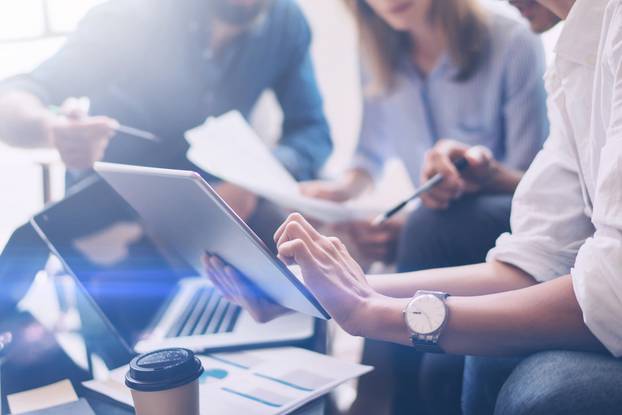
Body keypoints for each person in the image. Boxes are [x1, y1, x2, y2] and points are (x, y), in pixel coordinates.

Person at [204, 0, 622, 414]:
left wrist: (380, 314)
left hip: (506, 230)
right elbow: (536, 261)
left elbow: (607, 287)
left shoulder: (534, 38)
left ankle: (380, 398)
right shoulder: (576, 53)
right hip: (517, 232)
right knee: (478, 347)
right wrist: (316, 293)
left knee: (541, 390)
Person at [0, 0, 332, 245]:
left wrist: (253, 183)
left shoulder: (288, 22)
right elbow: (16, 95)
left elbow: (312, 130)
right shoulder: (128, 15)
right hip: (115, 225)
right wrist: (49, 129)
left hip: (215, 219)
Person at [300, 0, 547, 267]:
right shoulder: (375, 53)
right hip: (431, 216)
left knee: (422, 228)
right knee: (325, 233)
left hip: (503, 216)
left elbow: (531, 182)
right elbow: (369, 153)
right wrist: (336, 192)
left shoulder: (513, 42)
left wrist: (477, 178)